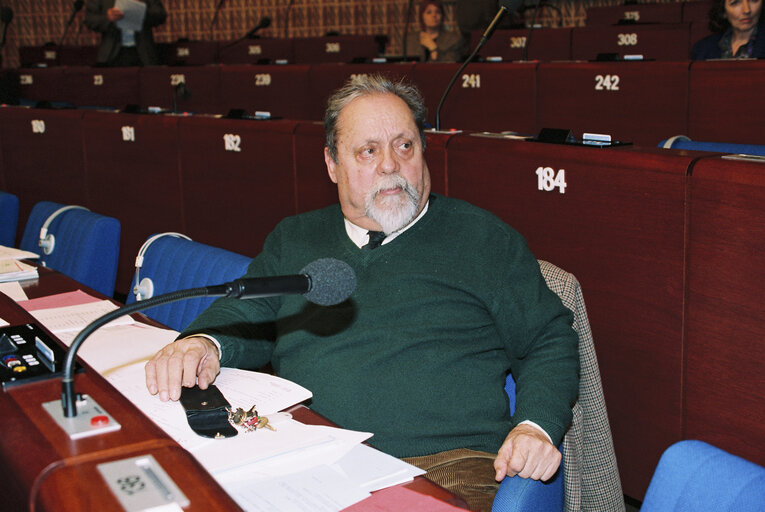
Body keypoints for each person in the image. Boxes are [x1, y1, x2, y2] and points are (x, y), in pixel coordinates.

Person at [144, 74, 578, 511]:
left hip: (442, 468)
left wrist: (535, 426)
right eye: (369, 151)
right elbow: (248, 314)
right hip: (305, 456)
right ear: (332, 164)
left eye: (404, 146)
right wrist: (204, 343)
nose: (390, 165)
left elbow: (548, 338)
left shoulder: (482, 238)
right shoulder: (295, 238)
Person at [84, 0, 167, 66]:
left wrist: (141, 10)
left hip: (143, 53)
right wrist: (107, 18)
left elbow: (160, 15)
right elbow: (89, 20)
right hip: (111, 54)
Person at [691, 0, 765, 59]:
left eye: (753, 0)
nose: (747, 10)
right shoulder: (703, 49)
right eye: (735, 2)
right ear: (723, 11)